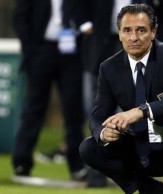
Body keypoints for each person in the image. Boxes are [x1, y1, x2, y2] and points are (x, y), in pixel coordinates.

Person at [79, 4, 163, 194]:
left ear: (153, 32)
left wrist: (141, 111)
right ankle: (150, 188)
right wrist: (103, 132)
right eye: (127, 30)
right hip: (142, 151)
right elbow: (96, 116)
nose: (134, 37)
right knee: (88, 147)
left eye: (141, 30)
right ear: (119, 34)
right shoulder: (109, 68)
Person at [69, 0, 163, 187]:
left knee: (144, 109)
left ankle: (150, 168)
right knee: (98, 110)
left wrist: (161, 42)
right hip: (100, 43)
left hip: (143, 51)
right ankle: (98, 173)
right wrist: (84, 24)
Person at [11, 0, 86, 181]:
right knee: (33, 109)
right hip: (41, 50)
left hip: (71, 53)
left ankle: (77, 167)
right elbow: (19, 16)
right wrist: (30, 50)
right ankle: (22, 163)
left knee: (73, 111)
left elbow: (87, 14)